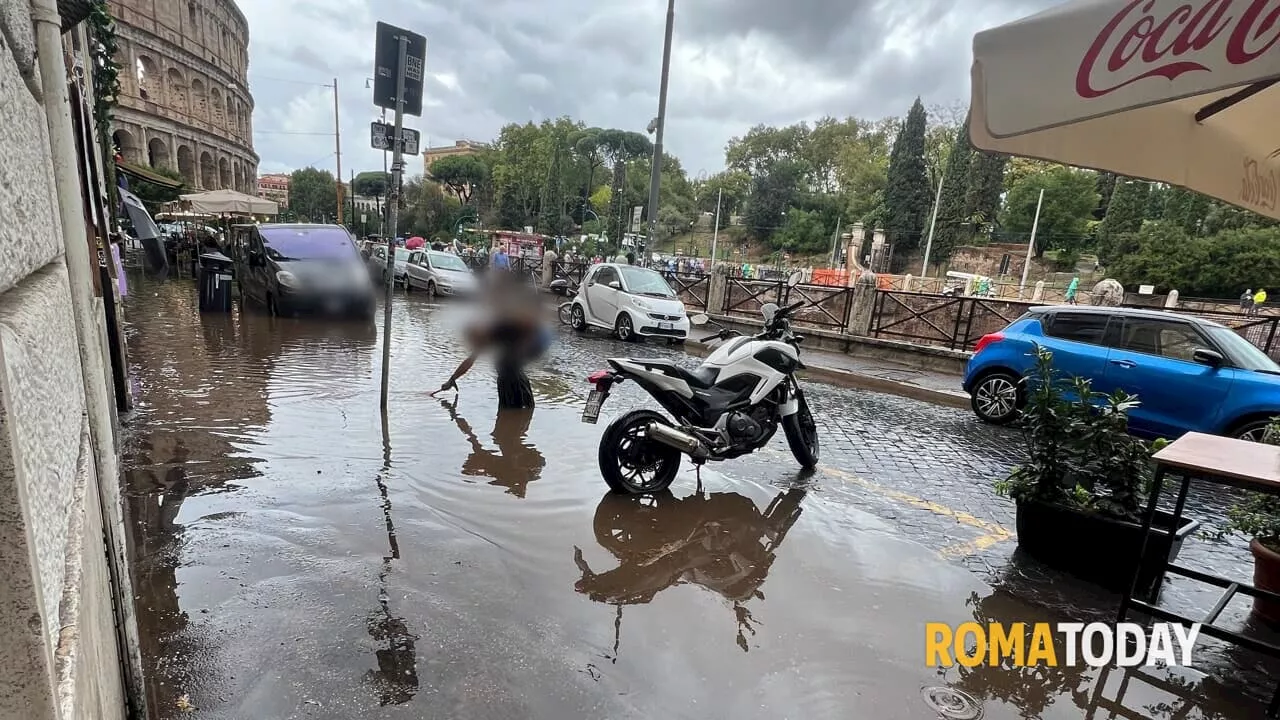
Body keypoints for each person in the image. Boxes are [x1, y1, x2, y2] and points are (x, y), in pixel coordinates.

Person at [435, 274, 551, 408]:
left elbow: (472, 359)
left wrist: (452, 379)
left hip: (510, 380)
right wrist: (453, 379)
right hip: (518, 378)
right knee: (522, 416)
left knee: (510, 416)